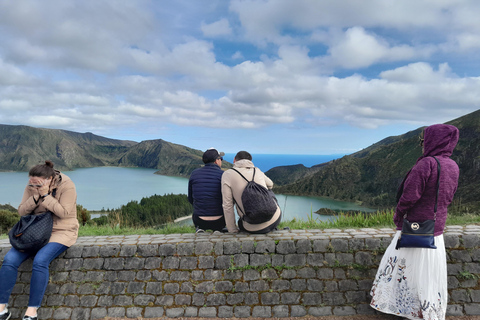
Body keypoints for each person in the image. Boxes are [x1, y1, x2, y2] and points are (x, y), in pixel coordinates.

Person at [370, 124, 460, 320]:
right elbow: (449, 196)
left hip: (415, 227)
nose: (422, 145)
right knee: (428, 274)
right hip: (435, 230)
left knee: (402, 267)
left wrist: (398, 215)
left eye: (423, 141)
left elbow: (409, 196)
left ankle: (402, 307)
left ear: (432, 141)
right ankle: (425, 309)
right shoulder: (453, 166)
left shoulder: (426, 164)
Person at [0, 161, 78, 320]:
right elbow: (22, 211)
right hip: (34, 231)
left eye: (38, 183)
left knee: (40, 261)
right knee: (9, 260)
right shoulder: (32, 186)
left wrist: (45, 196)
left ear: (50, 179)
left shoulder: (67, 185)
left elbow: (63, 212)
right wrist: (35, 195)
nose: (33, 185)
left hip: (61, 230)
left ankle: (32, 312)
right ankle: (1, 308)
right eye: (31, 182)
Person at [221, 150, 281, 233]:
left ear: (234, 160)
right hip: (274, 219)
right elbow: (270, 184)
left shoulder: (227, 174)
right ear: (250, 161)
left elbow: (228, 205)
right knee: (268, 190)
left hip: (250, 227)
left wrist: (232, 229)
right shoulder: (257, 170)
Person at [188, 148, 226, 233]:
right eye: (221, 159)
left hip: (199, 219)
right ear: (216, 161)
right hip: (220, 220)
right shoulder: (223, 175)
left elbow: (191, 199)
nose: (221, 161)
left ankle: (200, 228)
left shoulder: (194, 173)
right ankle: (219, 229)